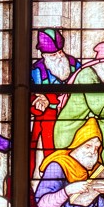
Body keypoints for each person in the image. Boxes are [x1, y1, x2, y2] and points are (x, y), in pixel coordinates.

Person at [54, 41, 104, 164]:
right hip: (70, 129)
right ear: (100, 62)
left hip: (86, 127)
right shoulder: (86, 75)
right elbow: (102, 109)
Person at [30, 28, 81, 178]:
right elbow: (29, 97)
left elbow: (81, 90)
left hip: (73, 117)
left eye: (60, 52)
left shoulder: (74, 65)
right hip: (47, 121)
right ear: (44, 55)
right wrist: (38, 101)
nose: (58, 57)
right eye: (53, 55)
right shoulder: (36, 70)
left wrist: (49, 99)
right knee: (46, 153)